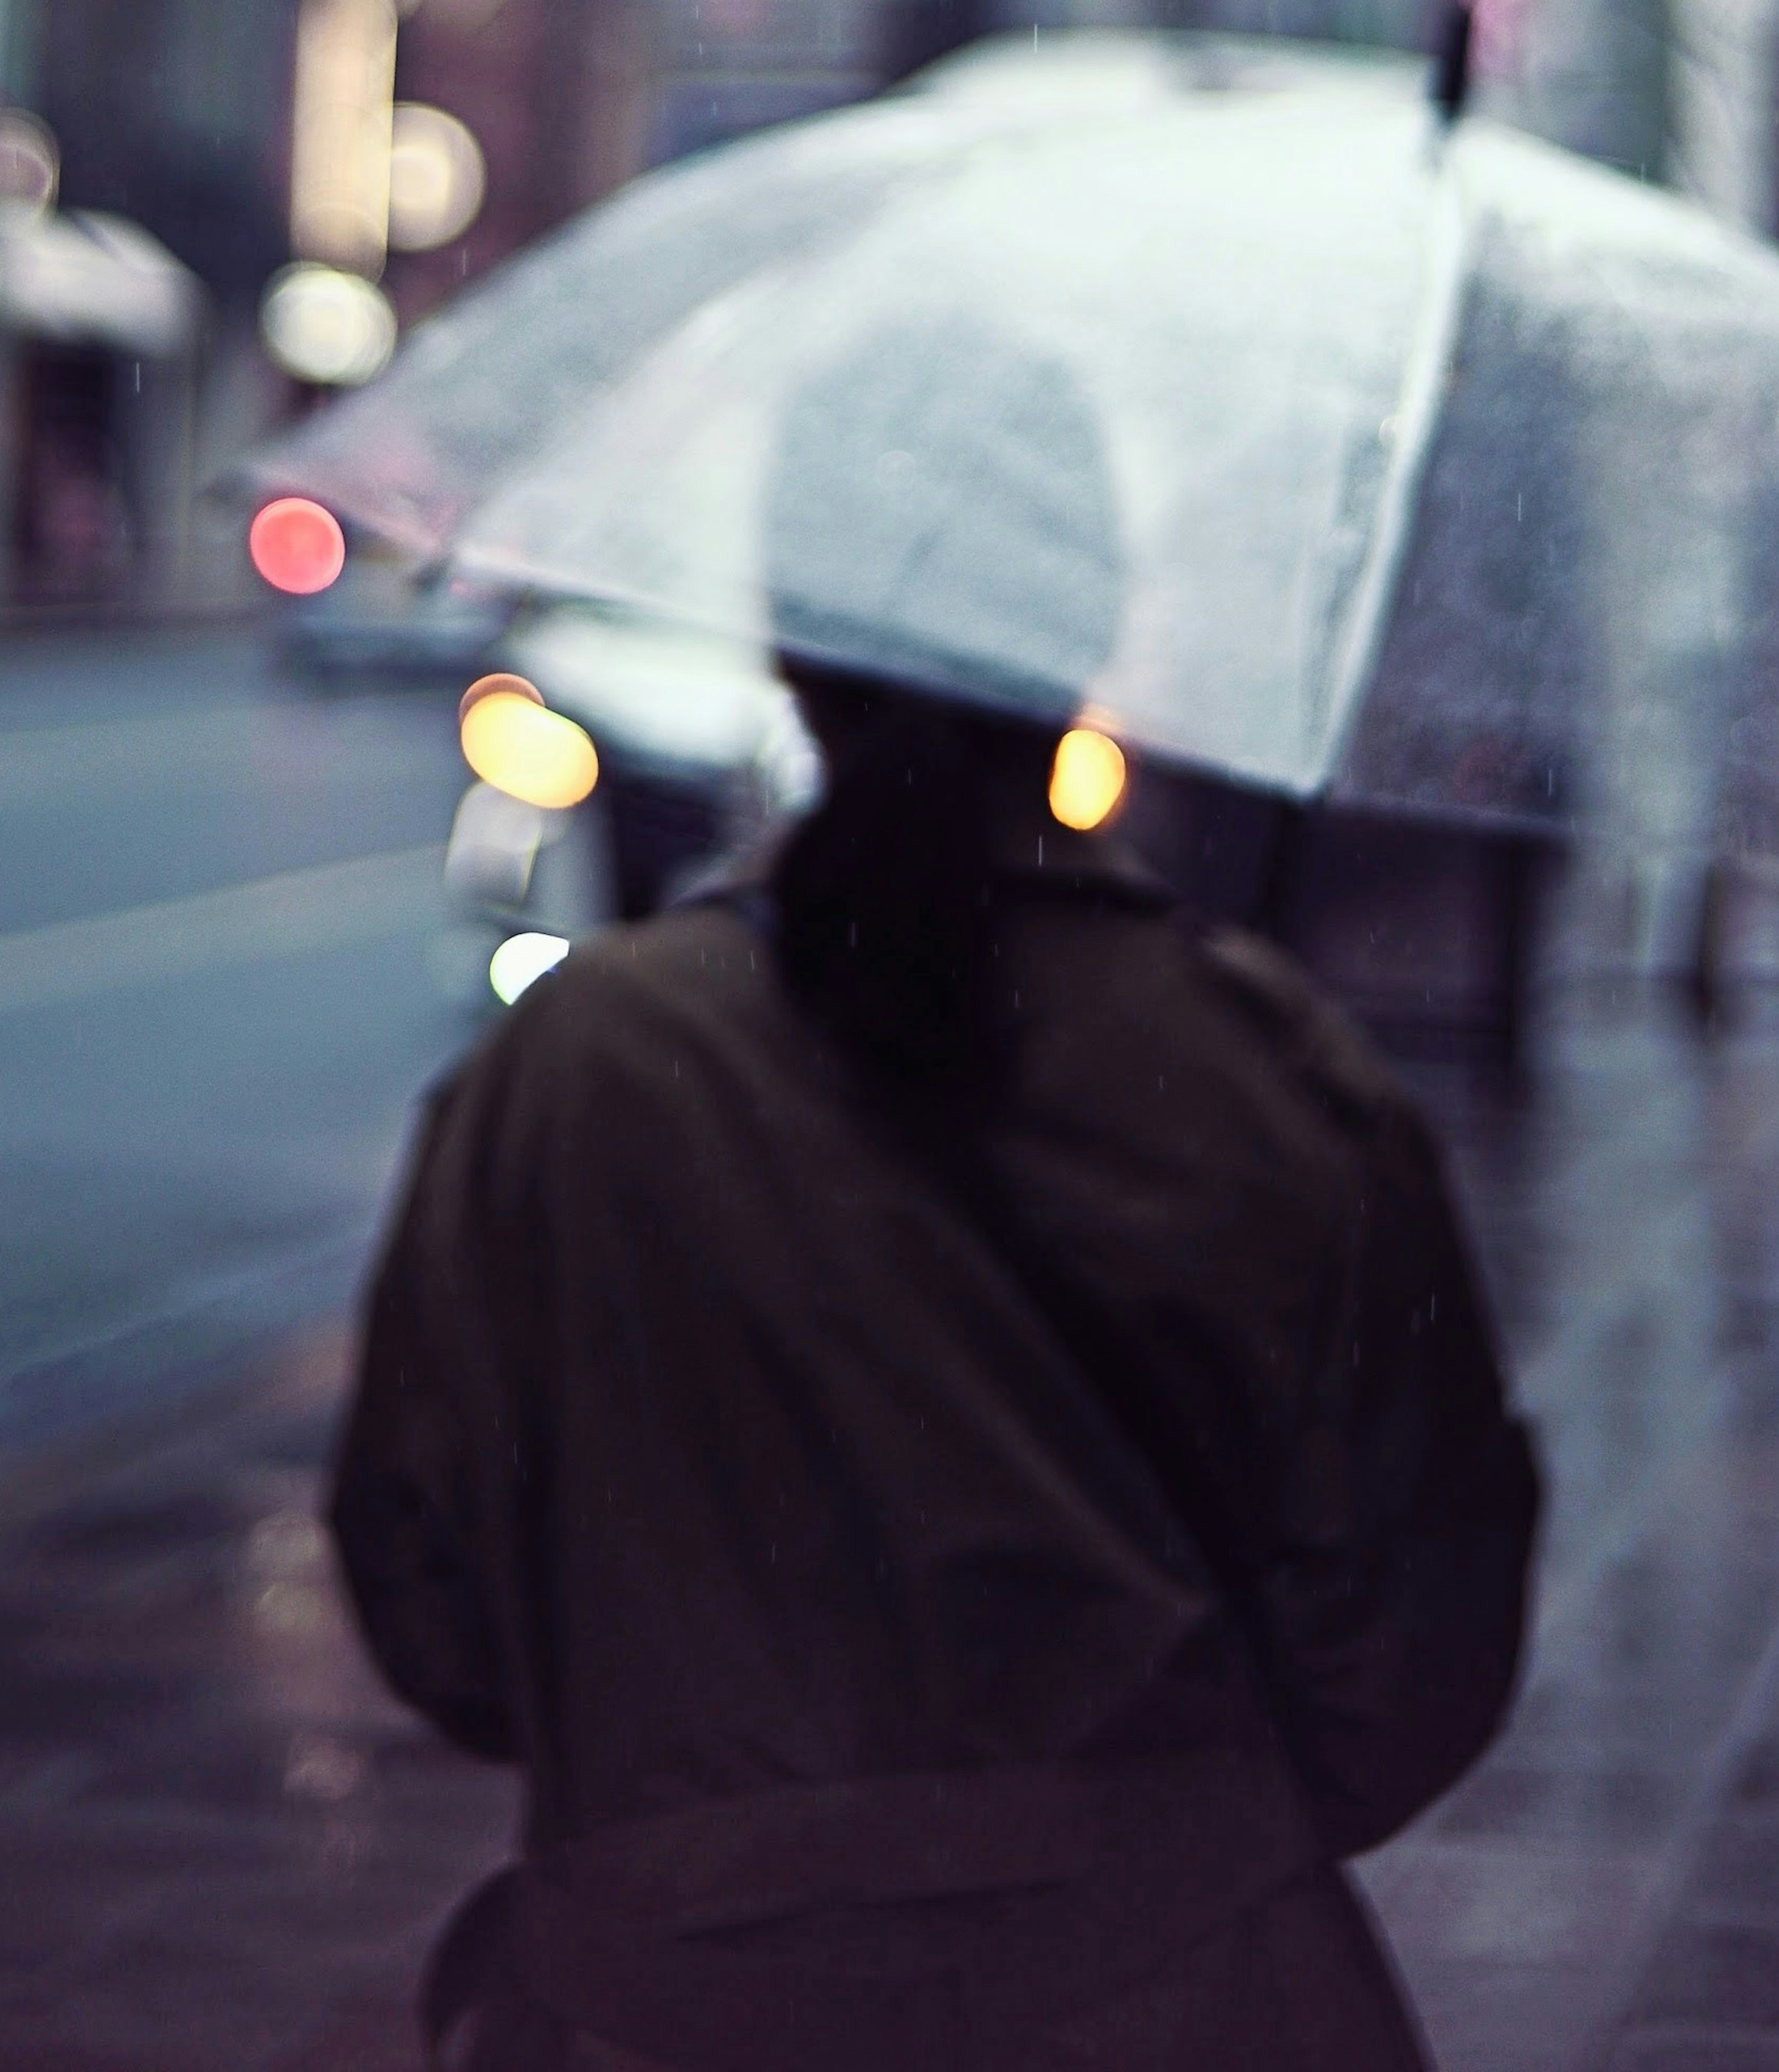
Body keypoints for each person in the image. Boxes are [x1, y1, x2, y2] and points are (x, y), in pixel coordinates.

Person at [331, 337, 1540, 2070]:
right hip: (1189, 2000)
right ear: (1087, 626)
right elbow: (1418, 1659)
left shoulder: (573, 1073)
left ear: (785, 635)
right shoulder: (1278, 1083)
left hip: (670, 1999)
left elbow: (433, 1599)